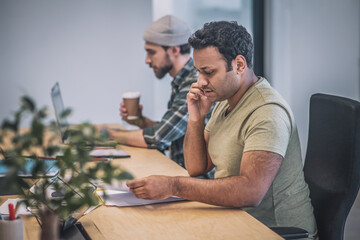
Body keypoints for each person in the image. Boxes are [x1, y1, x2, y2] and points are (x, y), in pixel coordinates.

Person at [126, 21, 318, 239]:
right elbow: (197, 167)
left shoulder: (268, 112)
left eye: (208, 72)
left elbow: (250, 192)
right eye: (198, 72)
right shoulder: (224, 102)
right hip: (235, 219)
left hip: (271, 231)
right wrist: (195, 118)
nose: (201, 82)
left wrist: (173, 185)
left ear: (239, 65)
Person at [107, 15, 212, 168]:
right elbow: (172, 131)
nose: (147, 60)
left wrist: (109, 135)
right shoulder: (181, 80)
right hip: (181, 172)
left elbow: (159, 138)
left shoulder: (194, 83)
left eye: (151, 52)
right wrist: (141, 121)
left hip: (196, 181)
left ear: (174, 50)